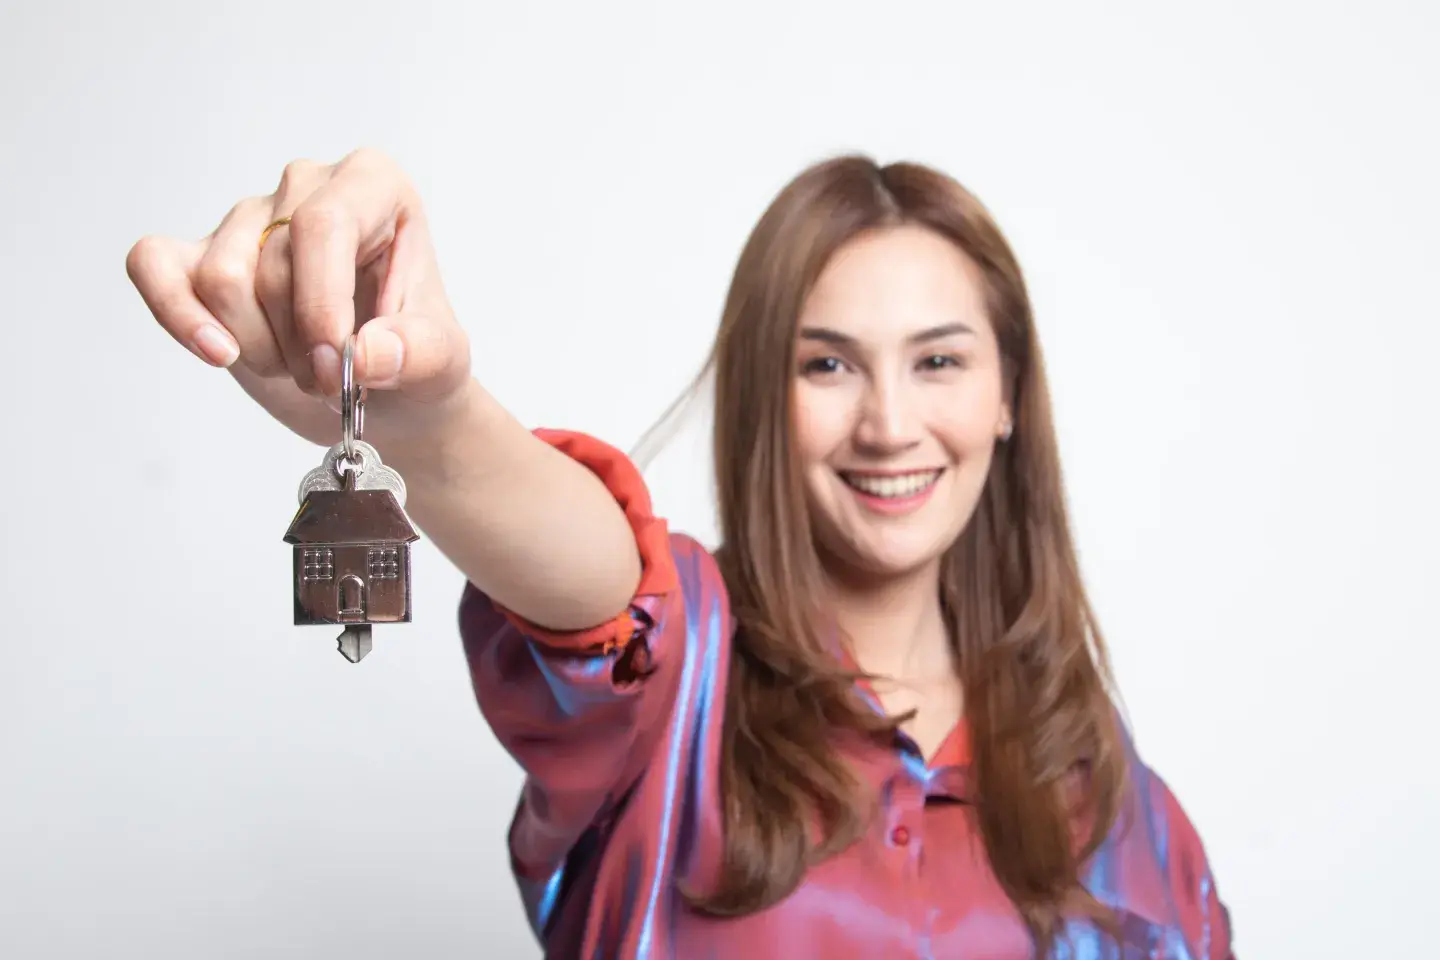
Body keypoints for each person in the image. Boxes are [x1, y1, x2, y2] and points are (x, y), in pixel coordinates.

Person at [127, 148, 1235, 959]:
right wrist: (430, 416)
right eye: (828, 367)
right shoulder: (684, 675)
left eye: (939, 362)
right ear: (762, 398)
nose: (891, 423)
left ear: (1008, 399)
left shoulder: (1129, 818)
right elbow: (595, 587)